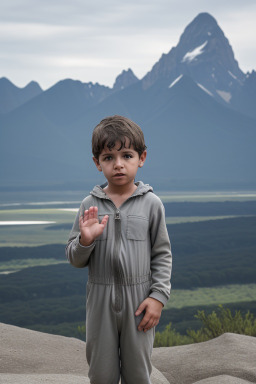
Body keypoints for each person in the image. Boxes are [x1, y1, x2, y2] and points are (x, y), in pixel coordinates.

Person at [66, 115, 172, 384]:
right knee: (101, 374)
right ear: (97, 163)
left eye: (127, 155)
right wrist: (85, 241)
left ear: (142, 158)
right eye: (108, 157)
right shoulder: (89, 204)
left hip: (139, 301)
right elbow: (74, 259)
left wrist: (158, 297)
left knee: (138, 374)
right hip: (99, 299)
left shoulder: (152, 204)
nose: (118, 164)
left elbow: (162, 254)